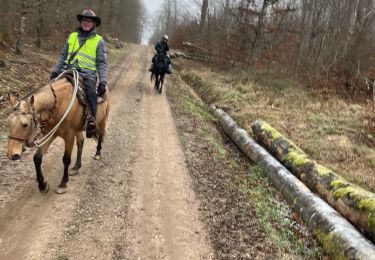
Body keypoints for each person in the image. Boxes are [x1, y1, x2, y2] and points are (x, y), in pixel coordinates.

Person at [50, 9, 107, 138]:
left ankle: (91, 120)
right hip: (68, 72)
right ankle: (49, 118)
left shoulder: (99, 41)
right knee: (52, 90)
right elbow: (63, 56)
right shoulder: (72, 36)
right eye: (84, 20)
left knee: (91, 93)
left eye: (89, 21)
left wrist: (103, 81)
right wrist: (55, 71)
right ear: (81, 22)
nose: (86, 22)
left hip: (88, 75)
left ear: (94, 24)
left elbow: (102, 63)